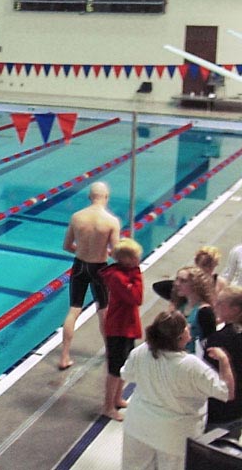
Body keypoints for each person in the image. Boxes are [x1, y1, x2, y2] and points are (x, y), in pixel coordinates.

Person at [121, 310, 234, 470]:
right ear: (180, 337)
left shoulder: (141, 351)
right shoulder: (192, 366)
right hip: (175, 437)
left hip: (138, 428)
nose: (189, 326)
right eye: (185, 327)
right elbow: (226, 392)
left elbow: (127, 374)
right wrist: (224, 360)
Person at [60, 181, 120, 370]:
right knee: (103, 311)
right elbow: (116, 251)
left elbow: (67, 246)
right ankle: (111, 354)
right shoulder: (111, 221)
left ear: (89, 197)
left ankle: (64, 356)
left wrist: (83, 249)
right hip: (99, 269)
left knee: (73, 310)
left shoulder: (77, 217)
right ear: (106, 197)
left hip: (79, 266)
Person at [100, 237, 143, 421]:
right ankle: (108, 406)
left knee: (124, 366)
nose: (138, 261)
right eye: (135, 258)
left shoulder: (126, 274)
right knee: (114, 370)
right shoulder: (118, 277)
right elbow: (137, 297)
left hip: (127, 326)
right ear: (125, 259)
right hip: (118, 328)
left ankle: (117, 398)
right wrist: (137, 274)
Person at [203, 285, 242, 431]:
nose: (215, 305)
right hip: (238, 409)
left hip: (218, 409)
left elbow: (208, 374)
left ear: (235, 309)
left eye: (220, 303)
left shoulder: (220, 339)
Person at [170, 265, 216, 355]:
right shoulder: (180, 307)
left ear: (196, 285)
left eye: (183, 281)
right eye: (177, 279)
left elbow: (210, 342)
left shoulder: (204, 311)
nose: (177, 284)